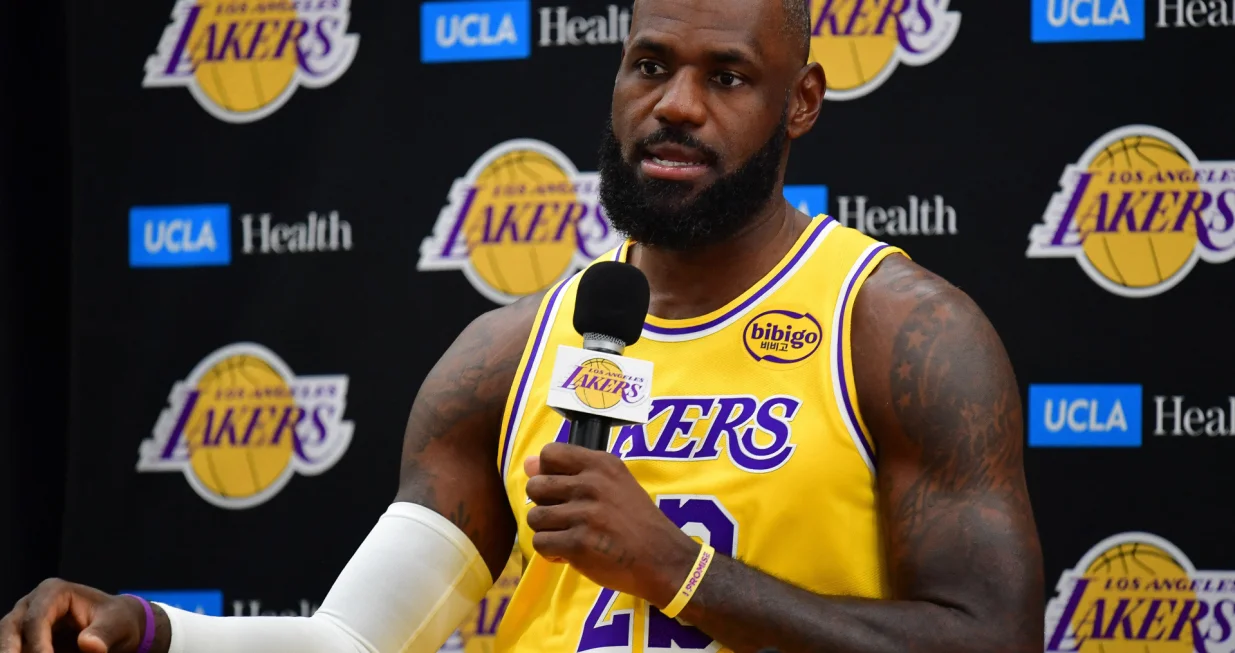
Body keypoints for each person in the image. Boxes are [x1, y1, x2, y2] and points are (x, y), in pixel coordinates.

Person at [1, 0, 1045, 651]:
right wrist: (146, 628)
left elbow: (991, 639)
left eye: (725, 76)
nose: (675, 104)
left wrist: (679, 570)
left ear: (801, 100)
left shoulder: (896, 329)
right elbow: (354, 640)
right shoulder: (508, 355)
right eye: (649, 65)